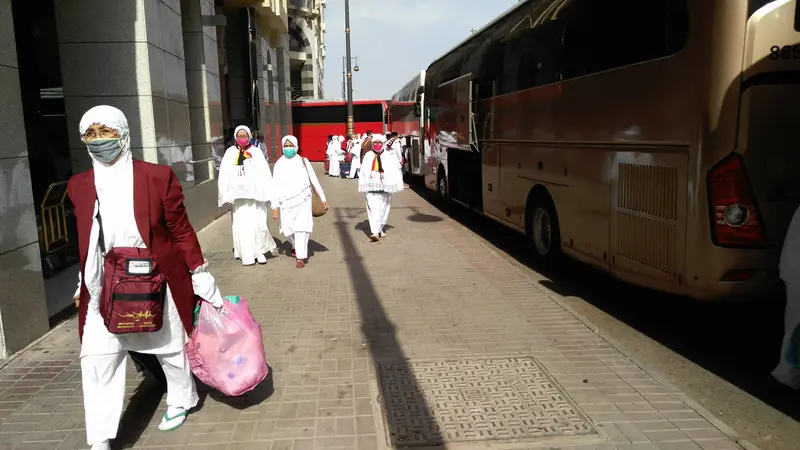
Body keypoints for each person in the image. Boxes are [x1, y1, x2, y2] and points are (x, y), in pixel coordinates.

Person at [69, 105, 225, 449]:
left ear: (123, 133)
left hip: (155, 276)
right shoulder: (78, 185)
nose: (99, 141)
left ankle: (183, 398)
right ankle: (100, 437)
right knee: (97, 357)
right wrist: (82, 282)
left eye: (105, 132)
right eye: (91, 134)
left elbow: (180, 229)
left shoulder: (156, 177)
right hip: (103, 283)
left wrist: (199, 272)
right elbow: (84, 240)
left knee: (168, 345)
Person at [218, 125, 278, 266]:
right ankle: (246, 255)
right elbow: (224, 175)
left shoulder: (256, 152)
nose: (242, 138)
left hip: (255, 197)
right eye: (240, 136)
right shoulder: (230, 153)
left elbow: (265, 175)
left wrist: (271, 198)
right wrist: (225, 195)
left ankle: (260, 252)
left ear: (250, 136)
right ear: (235, 137)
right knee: (242, 226)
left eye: (245, 136)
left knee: (258, 224)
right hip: (238, 199)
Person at [271, 136, 329, 268]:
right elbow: (274, 186)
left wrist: (323, 198)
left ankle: (300, 257)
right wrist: (274, 206)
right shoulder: (279, 164)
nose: (288, 148)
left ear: (296, 146)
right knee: (287, 230)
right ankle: (294, 244)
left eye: (291, 145)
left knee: (301, 229)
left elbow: (314, 180)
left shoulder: (303, 161)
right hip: (285, 203)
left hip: (303, 200)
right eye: (286, 146)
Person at [358, 134, 404, 241]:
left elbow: (394, 170)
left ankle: (380, 229)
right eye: (375, 142)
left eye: (379, 142)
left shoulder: (388, 156)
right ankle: (375, 231)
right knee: (373, 210)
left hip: (385, 188)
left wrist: (391, 181)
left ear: (383, 143)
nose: (377, 145)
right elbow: (364, 171)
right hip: (371, 188)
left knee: (384, 209)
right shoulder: (368, 155)